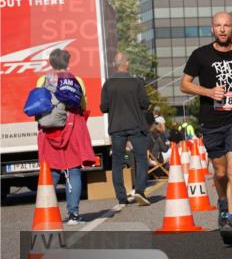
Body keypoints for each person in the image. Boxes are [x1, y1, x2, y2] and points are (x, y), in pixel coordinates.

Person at [180, 11, 232, 244]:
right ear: (212, 29)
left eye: (227, 25)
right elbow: (184, 85)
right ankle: (223, 203)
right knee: (221, 172)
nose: (223, 29)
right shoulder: (200, 55)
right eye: (218, 25)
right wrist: (208, 91)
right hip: (211, 121)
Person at [35, 48, 96, 225]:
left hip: (49, 129)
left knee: (51, 172)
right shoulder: (77, 81)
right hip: (72, 126)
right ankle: (74, 215)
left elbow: (38, 103)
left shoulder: (42, 80)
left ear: (51, 62)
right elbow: (83, 105)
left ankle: (46, 212)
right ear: (67, 62)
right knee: (73, 170)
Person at [100, 52, 152, 211]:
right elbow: (145, 104)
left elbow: (104, 107)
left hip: (116, 127)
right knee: (141, 158)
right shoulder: (136, 82)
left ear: (115, 65)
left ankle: (121, 198)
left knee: (117, 162)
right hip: (136, 125)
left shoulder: (108, 84)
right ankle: (140, 191)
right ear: (127, 64)